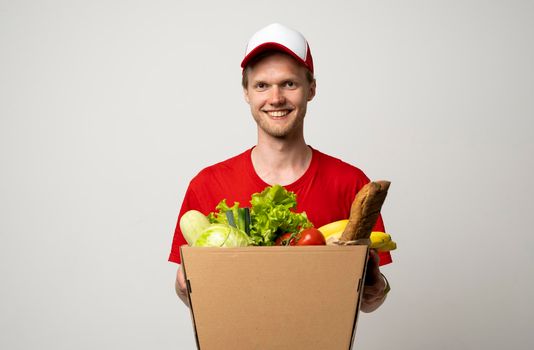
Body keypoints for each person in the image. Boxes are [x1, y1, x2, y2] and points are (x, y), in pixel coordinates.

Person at [169, 23, 392, 312]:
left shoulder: (351, 182)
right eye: (262, 85)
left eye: (289, 83)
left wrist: (378, 289)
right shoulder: (207, 184)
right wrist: (182, 286)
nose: (275, 98)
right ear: (246, 92)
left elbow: (371, 299)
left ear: (311, 89)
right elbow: (190, 290)